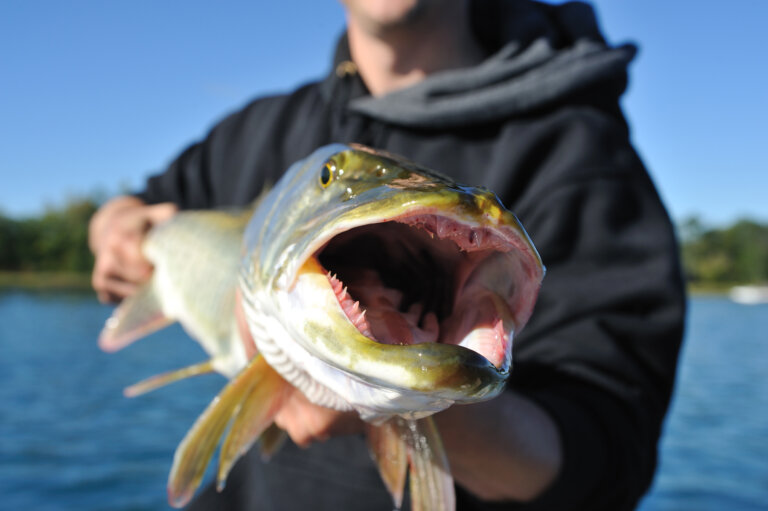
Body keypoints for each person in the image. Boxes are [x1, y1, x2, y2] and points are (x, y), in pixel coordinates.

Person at [89, 0, 685, 509]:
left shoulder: (580, 158)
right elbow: (146, 207)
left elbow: (608, 459)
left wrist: (421, 405)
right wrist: (114, 225)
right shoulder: (259, 129)